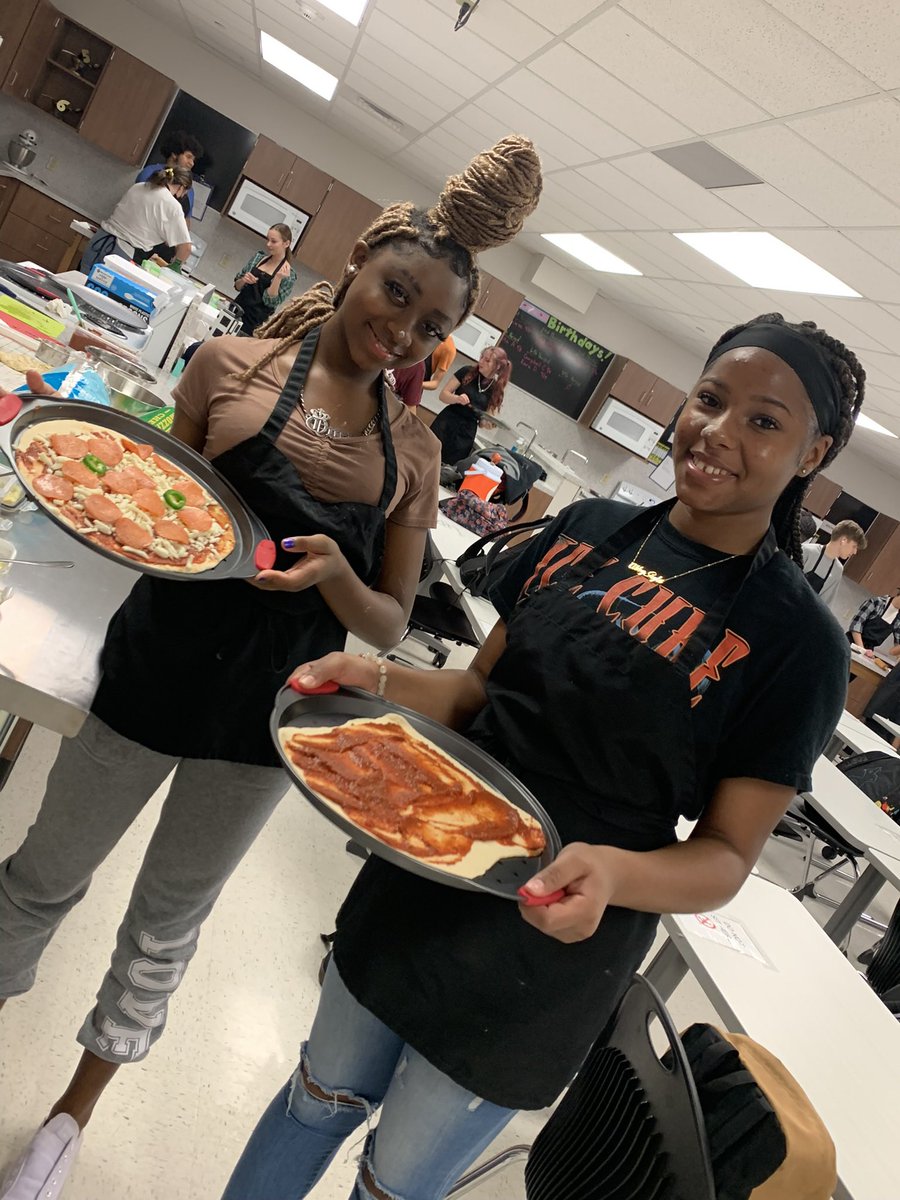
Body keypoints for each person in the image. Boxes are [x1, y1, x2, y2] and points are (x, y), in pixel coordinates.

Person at [0, 135, 542, 1200]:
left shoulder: (414, 452)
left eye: (431, 326)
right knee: (39, 879)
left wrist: (339, 577)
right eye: (396, 294)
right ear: (355, 265)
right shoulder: (224, 367)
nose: (403, 330)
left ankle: (67, 1123)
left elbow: (386, 626)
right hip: (152, 673)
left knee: (163, 931)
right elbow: (164, 504)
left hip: (270, 725)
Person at [222, 312, 861, 1200]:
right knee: (315, 1098)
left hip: (552, 944)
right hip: (429, 867)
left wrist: (611, 874)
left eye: (765, 421)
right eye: (711, 399)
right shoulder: (592, 527)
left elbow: (723, 859)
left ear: (813, 452)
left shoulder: (798, 642)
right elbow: (478, 693)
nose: (718, 433)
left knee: (394, 1182)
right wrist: (374, 676)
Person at [80, 166, 192, 273]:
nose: (181, 196)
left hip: (99, 241)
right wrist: (174, 268)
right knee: (100, 291)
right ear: (182, 187)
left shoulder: (138, 186)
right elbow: (186, 248)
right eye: (184, 193)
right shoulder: (172, 205)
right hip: (121, 254)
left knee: (80, 284)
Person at [430, 344, 510, 463]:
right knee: (428, 455)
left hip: (466, 433)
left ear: (497, 366)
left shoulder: (496, 390)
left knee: (447, 468)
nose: (481, 361)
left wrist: (490, 423)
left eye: (487, 360)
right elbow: (443, 395)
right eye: (482, 357)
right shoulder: (466, 371)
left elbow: (483, 422)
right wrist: (457, 398)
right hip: (446, 422)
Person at [233, 224, 298, 336]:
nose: (268, 244)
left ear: (286, 243)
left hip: (249, 328)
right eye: (268, 239)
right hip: (232, 312)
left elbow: (271, 302)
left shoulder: (289, 275)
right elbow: (237, 286)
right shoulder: (258, 258)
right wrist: (244, 280)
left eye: (273, 241)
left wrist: (278, 278)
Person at [135, 130, 204, 223]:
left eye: (193, 160)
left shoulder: (189, 190)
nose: (192, 163)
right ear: (174, 154)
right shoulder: (150, 172)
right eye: (188, 157)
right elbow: (138, 203)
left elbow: (186, 221)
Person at [801, 519, 867, 611]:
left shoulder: (837, 569)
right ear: (843, 540)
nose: (855, 552)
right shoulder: (808, 551)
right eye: (854, 546)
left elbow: (825, 606)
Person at [847, 590, 900, 656]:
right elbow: (856, 625)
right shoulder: (876, 602)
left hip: (868, 650)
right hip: (850, 643)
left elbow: (897, 646)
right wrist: (862, 649)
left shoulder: (898, 619)